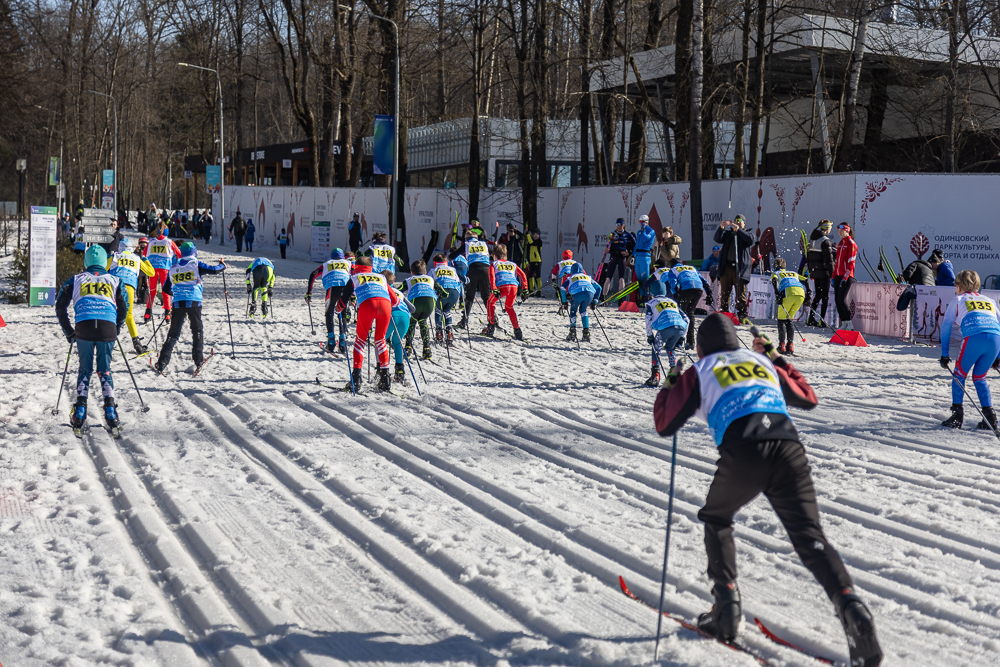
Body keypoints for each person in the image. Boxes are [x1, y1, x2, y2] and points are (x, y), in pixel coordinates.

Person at [653, 314, 883, 667]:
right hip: (788, 446)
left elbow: (665, 424)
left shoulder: (699, 370)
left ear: (700, 349)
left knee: (716, 516)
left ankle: (726, 607)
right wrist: (776, 358)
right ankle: (851, 605)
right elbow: (807, 398)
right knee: (809, 536)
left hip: (743, 448)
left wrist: (670, 383)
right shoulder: (760, 361)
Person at [55, 245, 129, 434]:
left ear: (86, 261)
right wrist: (117, 327)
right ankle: (111, 412)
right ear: (105, 262)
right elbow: (124, 307)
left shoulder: (76, 279)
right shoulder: (115, 280)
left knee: (85, 369)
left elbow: (60, 306)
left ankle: (80, 411)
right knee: (104, 370)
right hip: (107, 328)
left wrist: (69, 331)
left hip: (84, 327)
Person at [939, 270, 1000, 431]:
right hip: (995, 339)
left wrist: (944, 355)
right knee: (980, 377)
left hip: (974, 337)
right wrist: (997, 356)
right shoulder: (989, 300)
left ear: (958, 287)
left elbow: (946, 327)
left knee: (959, 375)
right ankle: (990, 418)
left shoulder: (958, 299)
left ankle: (957, 416)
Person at [153, 242, 226, 373]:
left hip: (178, 303)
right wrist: (222, 265)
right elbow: (214, 270)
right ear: (194, 252)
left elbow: (165, 288)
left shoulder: (173, 268)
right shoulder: (196, 264)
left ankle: (162, 362)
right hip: (194, 302)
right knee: (197, 330)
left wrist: (176, 294)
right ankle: (198, 360)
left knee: (173, 333)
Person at [336, 256, 398, 392]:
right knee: (380, 340)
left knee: (360, 341)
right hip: (385, 305)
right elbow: (395, 300)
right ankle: (385, 378)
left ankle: (356, 379)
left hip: (367, 305)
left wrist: (337, 309)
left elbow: (343, 299)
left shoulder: (354, 278)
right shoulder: (381, 277)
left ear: (356, 268)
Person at [109, 237, 155, 355]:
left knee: (112, 313)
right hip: (129, 287)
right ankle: (137, 345)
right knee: (128, 315)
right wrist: (145, 259)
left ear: (120, 247)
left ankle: (109, 341)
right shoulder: (137, 258)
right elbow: (151, 272)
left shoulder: (115, 256)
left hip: (114, 286)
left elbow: (102, 268)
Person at [306, 249, 354, 353]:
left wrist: (309, 292)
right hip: (345, 287)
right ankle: (343, 342)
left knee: (329, 313)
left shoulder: (326, 264)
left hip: (332, 288)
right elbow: (355, 274)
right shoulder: (348, 263)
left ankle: (331, 341)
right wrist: (353, 294)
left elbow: (313, 274)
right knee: (343, 313)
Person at [713, 215, 754, 323]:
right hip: (726, 267)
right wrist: (721, 228)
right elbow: (717, 238)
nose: (738, 222)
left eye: (740, 221)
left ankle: (742, 316)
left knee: (740, 294)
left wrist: (739, 231)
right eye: (736, 221)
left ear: (744, 223)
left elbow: (750, 241)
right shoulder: (729, 234)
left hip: (739, 269)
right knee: (725, 293)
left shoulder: (747, 234)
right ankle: (724, 314)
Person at [665, 260, 712, 350]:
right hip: (698, 289)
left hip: (686, 289)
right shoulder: (691, 267)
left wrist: (675, 294)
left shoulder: (673, 270)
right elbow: (703, 280)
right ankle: (690, 342)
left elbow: (673, 282)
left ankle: (676, 342)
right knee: (690, 313)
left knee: (680, 314)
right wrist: (709, 293)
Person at [643, 295, 689, 386]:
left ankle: (655, 376)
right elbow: (686, 319)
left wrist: (650, 336)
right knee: (670, 348)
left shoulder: (651, 303)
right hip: (680, 327)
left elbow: (648, 318)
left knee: (656, 349)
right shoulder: (672, 302)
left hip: (665, 327)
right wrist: (682, 338)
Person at [486, 245, 528, 340]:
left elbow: (492, 277)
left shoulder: (494, 264)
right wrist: (525, 289)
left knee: (490, 302)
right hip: (514, 286)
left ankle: (491, 326)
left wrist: (494, 288)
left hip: (502, 286)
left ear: (495, 255)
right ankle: (517, 330)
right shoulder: (512, 264)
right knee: (509, 307)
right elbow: (523, 275)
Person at [400, 261, 438, 360]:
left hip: (415, 301)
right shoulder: (431, 279)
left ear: (411, 272)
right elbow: (444, 292)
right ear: (425, 272)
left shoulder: (409, 279)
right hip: (430, 302)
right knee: (423, 322)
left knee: (412, 323)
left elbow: (399, 291)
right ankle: (427, 349)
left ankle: (408, 348)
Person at [143, 228, 182, 323]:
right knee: (166, 290)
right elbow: (179, 254)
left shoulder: (151, 241)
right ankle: (168, 313)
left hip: (152, 268)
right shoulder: (169, 241)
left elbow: (144, 254)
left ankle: (148, 313)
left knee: (152, 290)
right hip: (165, 268)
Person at [384, 271, 416, 383]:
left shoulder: (381, 290)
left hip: (392, 316)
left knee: (380, 342)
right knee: (397, 342)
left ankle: (382, 371)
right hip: (405, 318)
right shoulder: (399, 292)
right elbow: (412, 309)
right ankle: (400, 372)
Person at [771, 258, 808, 354]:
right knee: (789, 319)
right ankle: (790, 345)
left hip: (788, 293)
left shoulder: (776, 273)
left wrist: (777, 294)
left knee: (781, 319)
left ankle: (782, 345)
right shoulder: (793, 273)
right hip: (800, 293)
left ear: (774, 266)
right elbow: (806, 280)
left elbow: (774, 281)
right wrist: (809, 295)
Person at [457, 230, 492, 329]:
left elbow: (453, 254)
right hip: (486, 269)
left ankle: (464, 321)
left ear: (466, 239)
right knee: (486, 296)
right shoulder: (484, 244)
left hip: (473, 269)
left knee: (469, 296)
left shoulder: (467, 244)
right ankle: (493, 319)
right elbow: (493, 253)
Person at [806, 220, 836, 327]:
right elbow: (829, 260)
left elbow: (809, 256)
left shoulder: (813, 238)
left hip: (815, 271)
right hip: (824, 272)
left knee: (817, 295)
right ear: (828, 228)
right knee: (825, 296)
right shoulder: (826, 241)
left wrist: (810, 271)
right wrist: (832, 273)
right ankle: (822, 320)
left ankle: (811, 318)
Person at [561, 264, 602, 343]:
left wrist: (564, 301)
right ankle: (586, 333)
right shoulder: (588, 277)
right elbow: (599, 288)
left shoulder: (570, 278)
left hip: (577, 294)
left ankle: (572, 332)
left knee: (573, 310)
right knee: (583, 311)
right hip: (590, 294)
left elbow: (562, 288)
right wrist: (595, 301)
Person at [432, 253, 465, 346]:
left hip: (442, 292)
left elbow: (430, 282)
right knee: (447, 310)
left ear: (435, 263)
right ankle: (449, 332)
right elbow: (465, 279)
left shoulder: (433, 270)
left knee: (438, 310)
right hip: (455, 293)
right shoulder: (453, 269)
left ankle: (439, 333)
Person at [833, 222, 858, 330]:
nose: (839, 233)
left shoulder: (851, 243)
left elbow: (851, 263)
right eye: (838, 231)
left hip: (846, 276)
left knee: (842, 299)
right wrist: (833, 276)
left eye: (841, 231)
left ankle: (849, 323)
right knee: (837, 300)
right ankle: (843, 323)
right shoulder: (841, 243)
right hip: (838, 275)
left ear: (847, 231)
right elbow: (837, 261)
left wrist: (845, 277)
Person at [603, 218, 634, 300]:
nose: (619, 227)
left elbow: (635, 245)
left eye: (620, 225)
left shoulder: (627, 235)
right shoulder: (612, 234)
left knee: (621, 278)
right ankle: (604, 297)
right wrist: (607, 249)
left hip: (622, 257)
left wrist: (629, 253)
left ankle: (620, 298)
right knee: (608, 277)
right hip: (613, 256)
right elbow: (608, 245)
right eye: (617, 225)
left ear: (623, 225)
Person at [550, 250, 578, 316]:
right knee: (572, 295)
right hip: (573, 280)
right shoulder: (575, 262)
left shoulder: (560, 263)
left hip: (565, 279)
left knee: (562, 293)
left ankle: (563, 307)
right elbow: (583, 272)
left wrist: (553, 281)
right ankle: (574, 310)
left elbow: (554, 272)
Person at [526, 230, 543, 294]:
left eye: (537, 234)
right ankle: (531, 290)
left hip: (537, 260)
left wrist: (528, 235)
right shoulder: (530, 242)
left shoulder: (539, 242)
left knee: (538, 276)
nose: (535, 236)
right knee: (531, 276)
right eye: (534, 234)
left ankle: (539, 291)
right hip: (531, 260)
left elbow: (531, 242)